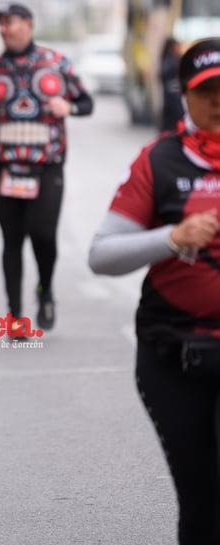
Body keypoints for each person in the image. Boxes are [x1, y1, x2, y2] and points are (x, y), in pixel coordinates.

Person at [88, 37, 220, 544]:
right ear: (183, 94)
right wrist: (172, 238)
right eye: (206, 91)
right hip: (174, 356)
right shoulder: (159, 161)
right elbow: (101, 255)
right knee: (200, 497)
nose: (217, 102)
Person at [0, 2, 93, 335]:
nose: (5, 29)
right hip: (1, 165)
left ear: (28, 24)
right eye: (1, 24)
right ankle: (15, 316)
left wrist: (69, 107)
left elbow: (86, 102)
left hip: (46, 165)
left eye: (11, 22)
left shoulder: (56, 63)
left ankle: (45, 288)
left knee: (43, 234)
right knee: (12, 239)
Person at [160, 37, 185, 133]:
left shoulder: (173, 60)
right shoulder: (170, 61)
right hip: (172, 98)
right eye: (177, 46)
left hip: (174, 97)